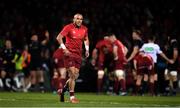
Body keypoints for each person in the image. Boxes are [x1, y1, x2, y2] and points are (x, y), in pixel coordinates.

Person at [56, 13, 89, 103]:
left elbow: (86, 39)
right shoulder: (68, 27)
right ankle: (72, 97)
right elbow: (59, 37)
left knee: (75, 76)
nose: (79, 20)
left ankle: (62, 91)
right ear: (73, 19)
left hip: (78, 55)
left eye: (81, 19)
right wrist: (64, 49)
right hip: (69, 54)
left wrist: (87, 49)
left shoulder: (85, 29)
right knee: (72, 74)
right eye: (77, 19)